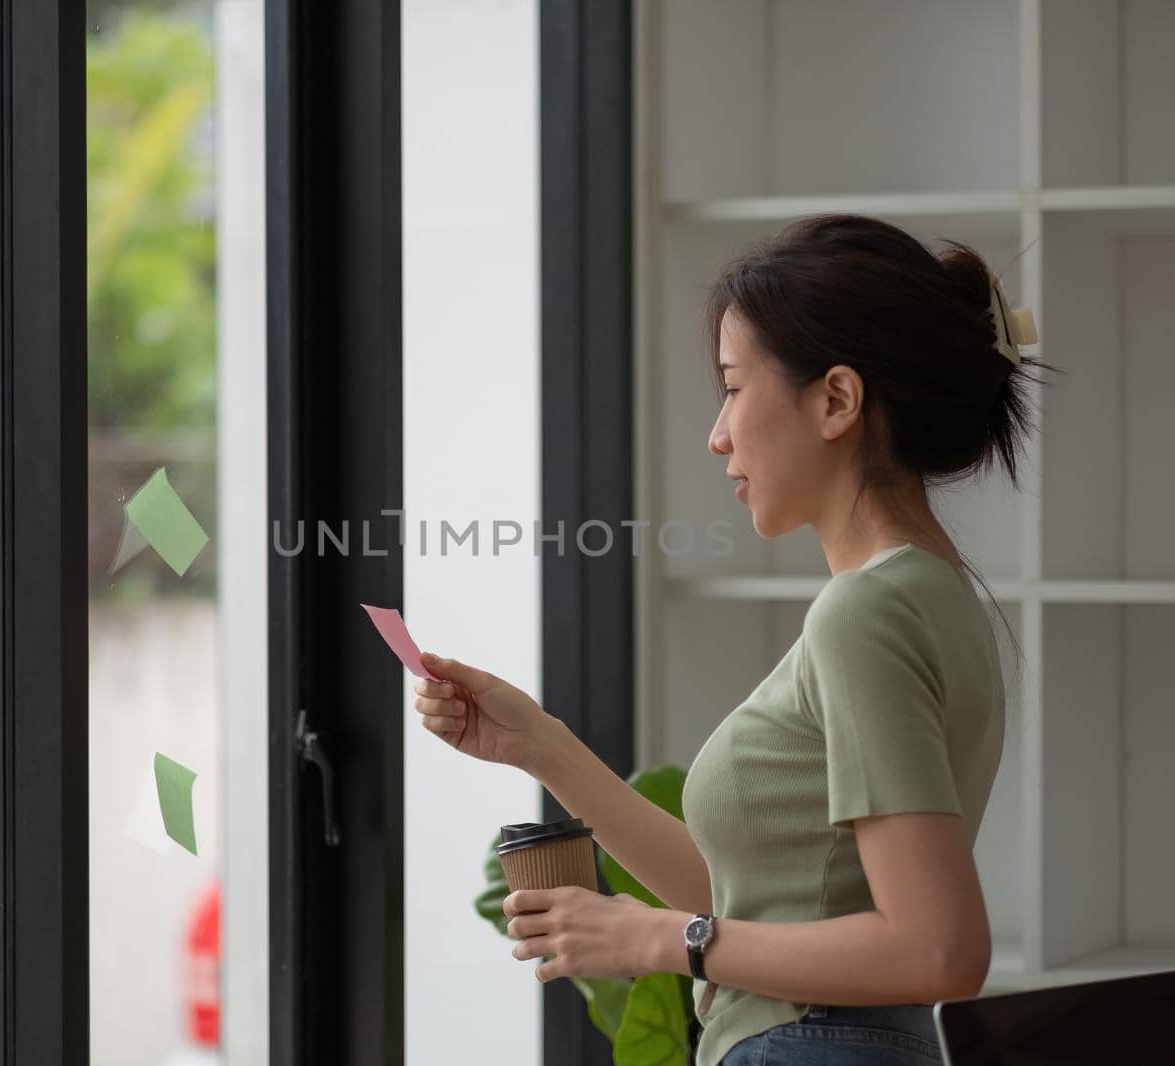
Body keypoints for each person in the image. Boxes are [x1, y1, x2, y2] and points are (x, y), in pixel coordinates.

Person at [411, 213, 1060, 1066]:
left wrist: (660, 941)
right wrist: (540, 745)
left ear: (836, 399)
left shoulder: (865, 613)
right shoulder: (934, 595)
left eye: (731, 387)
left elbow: (937, 950)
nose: (718, 435)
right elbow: (756, 900)